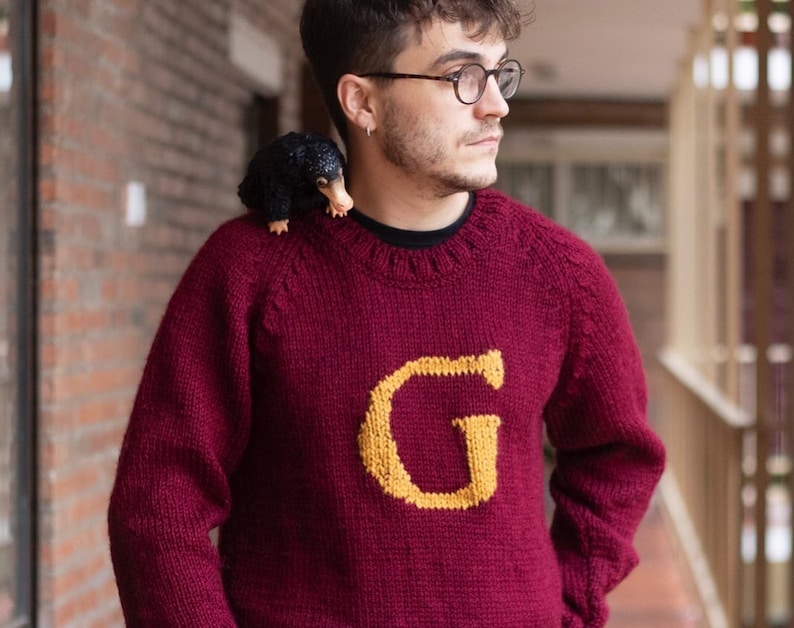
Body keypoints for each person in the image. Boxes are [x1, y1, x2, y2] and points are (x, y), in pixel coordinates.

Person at [108, 0, 666, 625]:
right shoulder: (248, 272)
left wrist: (564, 600)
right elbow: (158, 506)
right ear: (361, 102)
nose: (496, 105)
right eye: (462, 77)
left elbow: (618, 456)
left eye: (498, 72)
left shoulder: (561, 275)